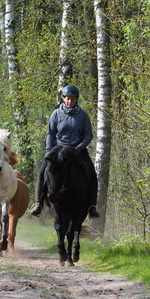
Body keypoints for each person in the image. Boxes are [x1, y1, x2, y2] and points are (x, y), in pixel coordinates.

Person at [30, 85, 99, 218]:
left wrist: (79, 148)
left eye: (72, 99)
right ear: (63, 99)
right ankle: (38, 203)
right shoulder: (56, 114)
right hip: (58, 150)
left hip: (77, 150)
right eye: (67, 99)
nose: (69, 102)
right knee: (42, 172)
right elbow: (51, 133)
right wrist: (49, 151)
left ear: (76, 100)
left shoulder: (83, 115)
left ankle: (92, 207)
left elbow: (88, 134)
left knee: (92, 174)